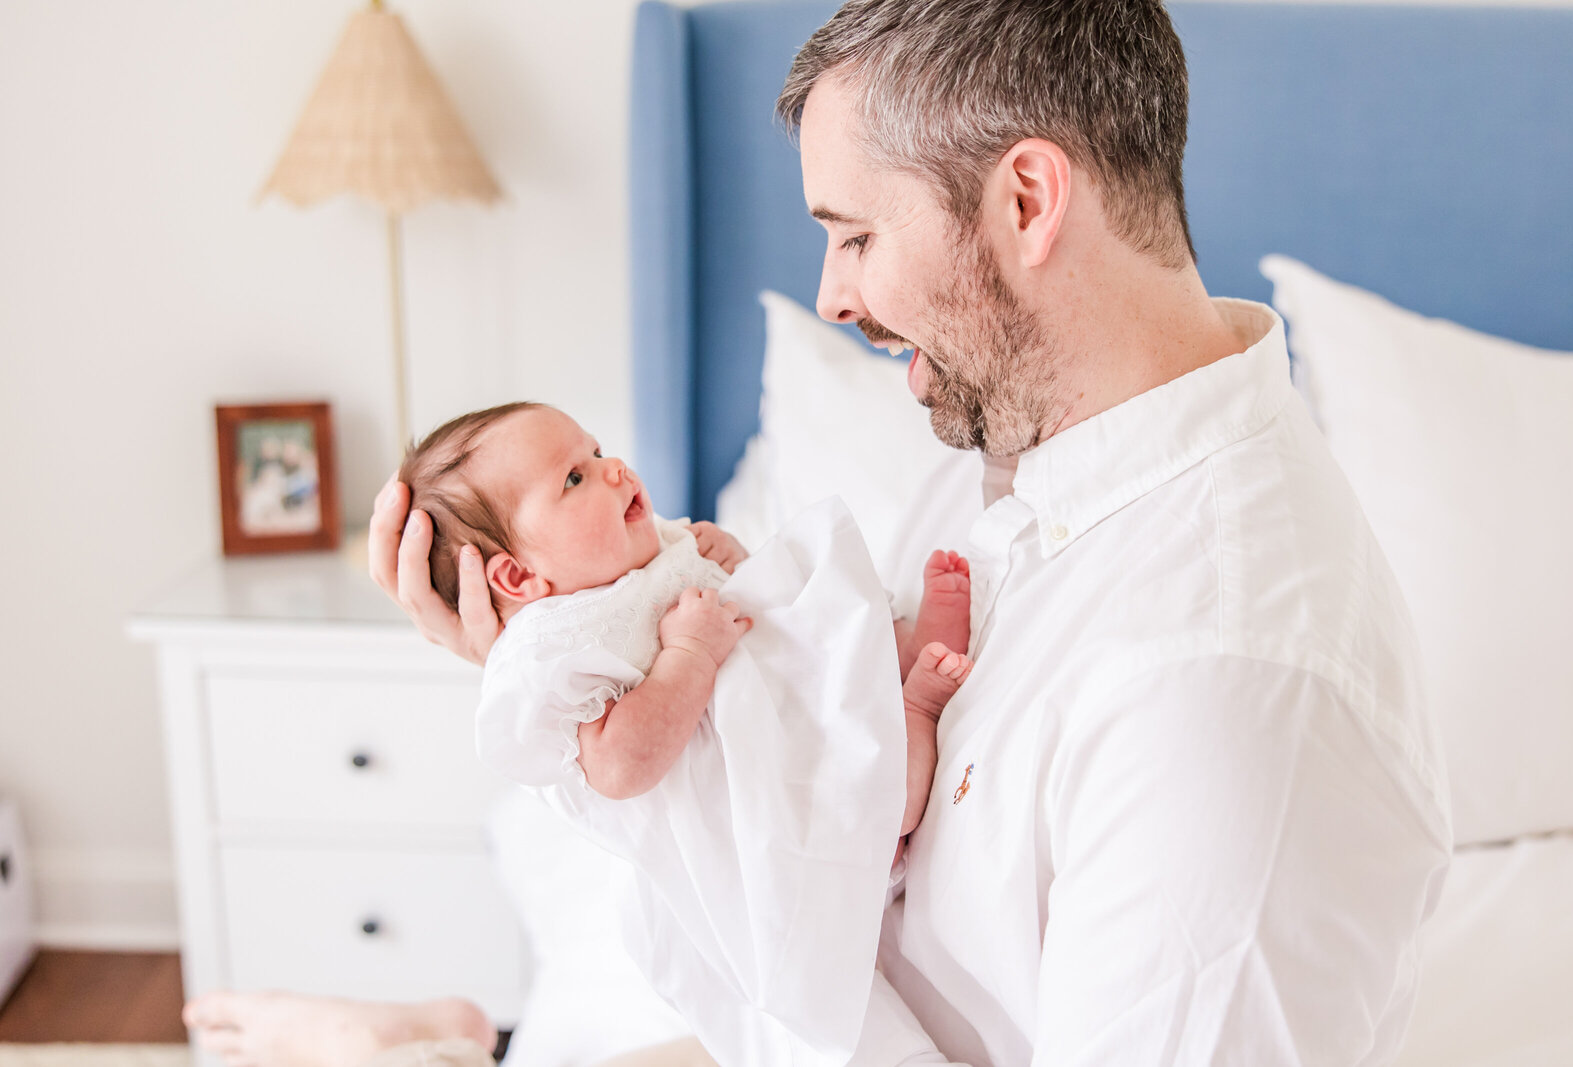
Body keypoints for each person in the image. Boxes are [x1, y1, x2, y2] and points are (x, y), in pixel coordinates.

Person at [190, 1, 1452, 1064]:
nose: (834, 296)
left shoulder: (1220, 694)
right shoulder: (1010, 456)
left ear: (1024, 199)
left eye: (854, 233)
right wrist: (556, 645)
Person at [399, 399, 973, 1060]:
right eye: (574, 480)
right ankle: (919, 707)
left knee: (844, 629)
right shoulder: (552, 648)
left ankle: (906, 662)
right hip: (753, 811)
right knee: (885, 797)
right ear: (517, 576)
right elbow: (618, 767)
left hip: (789, 710)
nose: (612, 469)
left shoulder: (653, 550)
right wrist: (688, 656)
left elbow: (766, 615)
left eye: (595, 451)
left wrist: (732, 564)